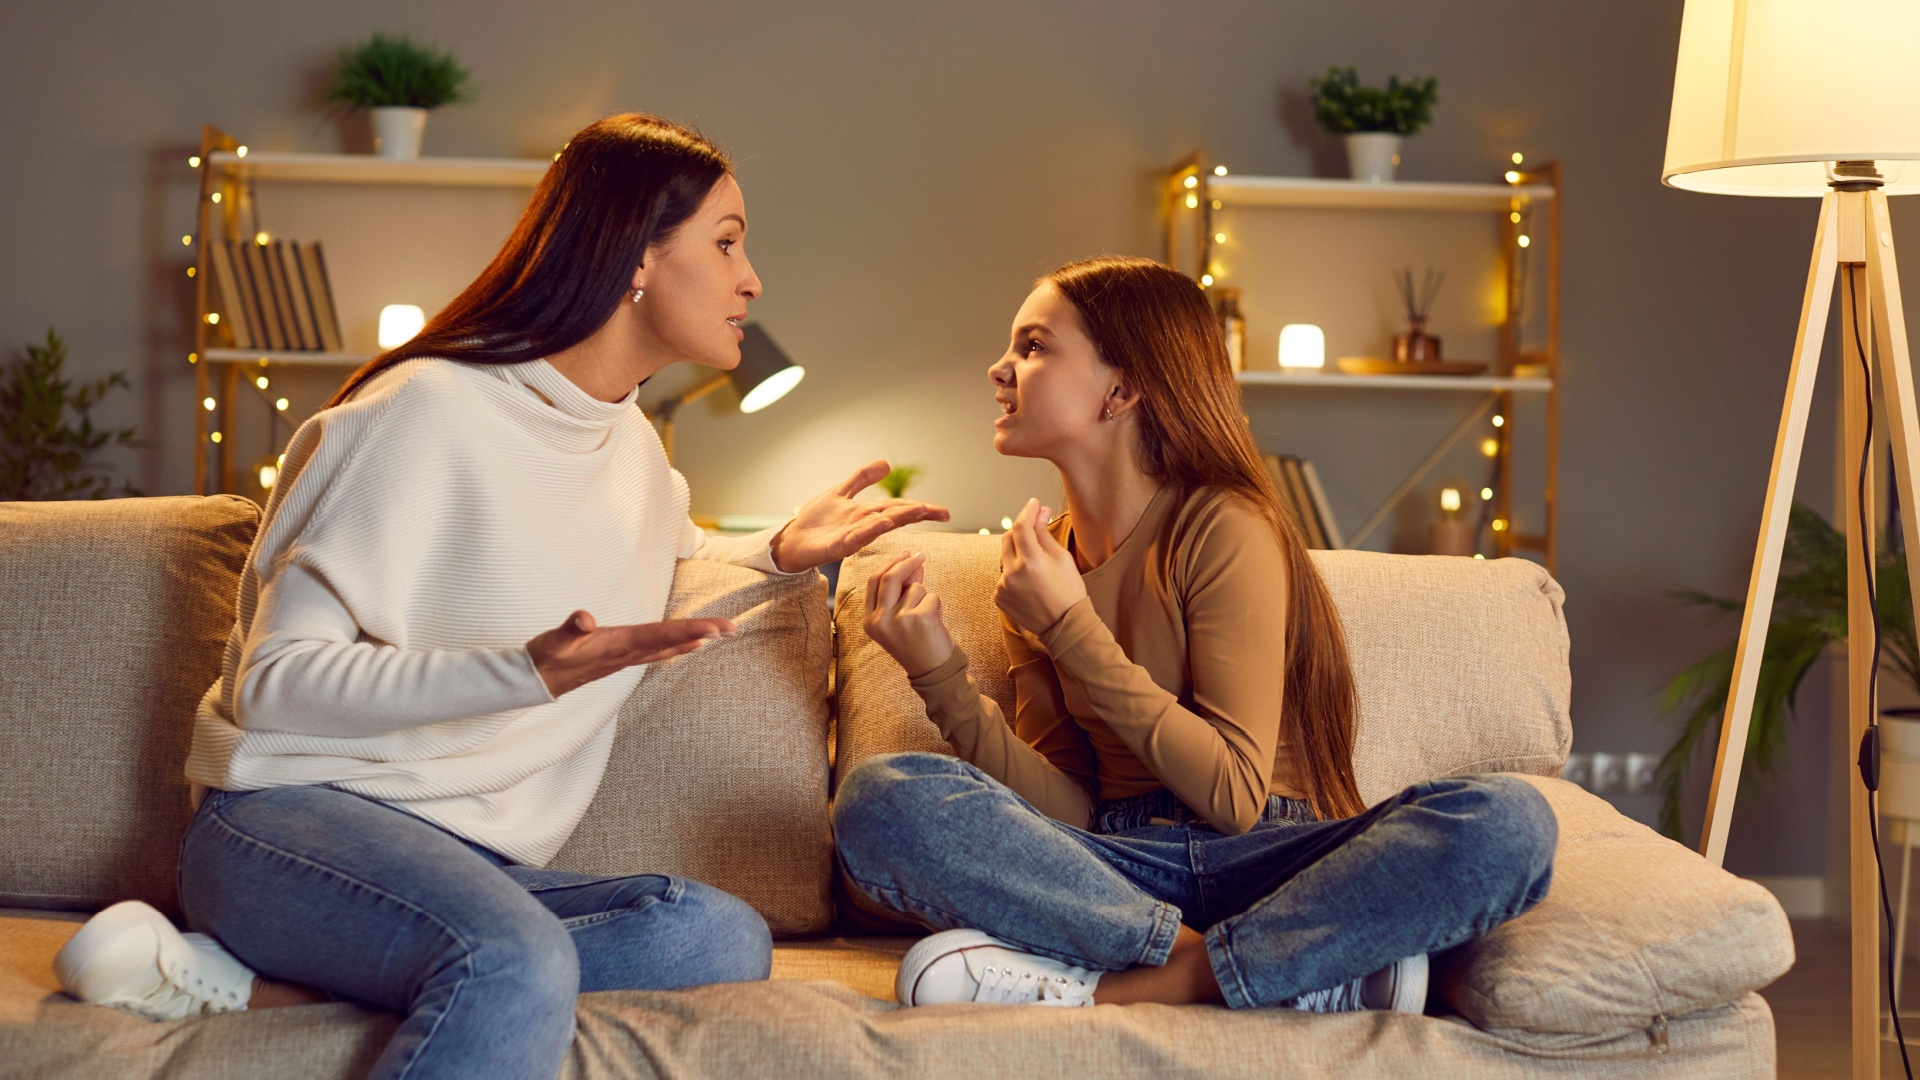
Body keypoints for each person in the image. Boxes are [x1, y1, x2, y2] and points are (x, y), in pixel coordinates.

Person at [53, 113, 946, 1079]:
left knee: (715, 938)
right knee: (515, 960)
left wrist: (777, 550)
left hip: (470, 864)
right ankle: (379, 963)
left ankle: (259, 987)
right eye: (726, 242)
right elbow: (277, 683)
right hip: (288, 824)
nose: (751, 278)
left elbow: (651, 569)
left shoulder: (636, 452)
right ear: (634, 256)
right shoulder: (421, 412)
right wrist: (519, 675)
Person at [835, 256, 1555, 1013]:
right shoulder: (1037, 565)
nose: (1000, 368)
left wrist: (1070, 623)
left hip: (1269, 859)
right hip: (1113, 867)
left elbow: (1236, 796)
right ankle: (1278, 969)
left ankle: (1132, 986)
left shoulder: (1222, 524)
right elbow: (1067, 814)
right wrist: (938, 673)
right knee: (882, 799)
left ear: (1122, 389)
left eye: (1034, 346)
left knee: (1507, 822)